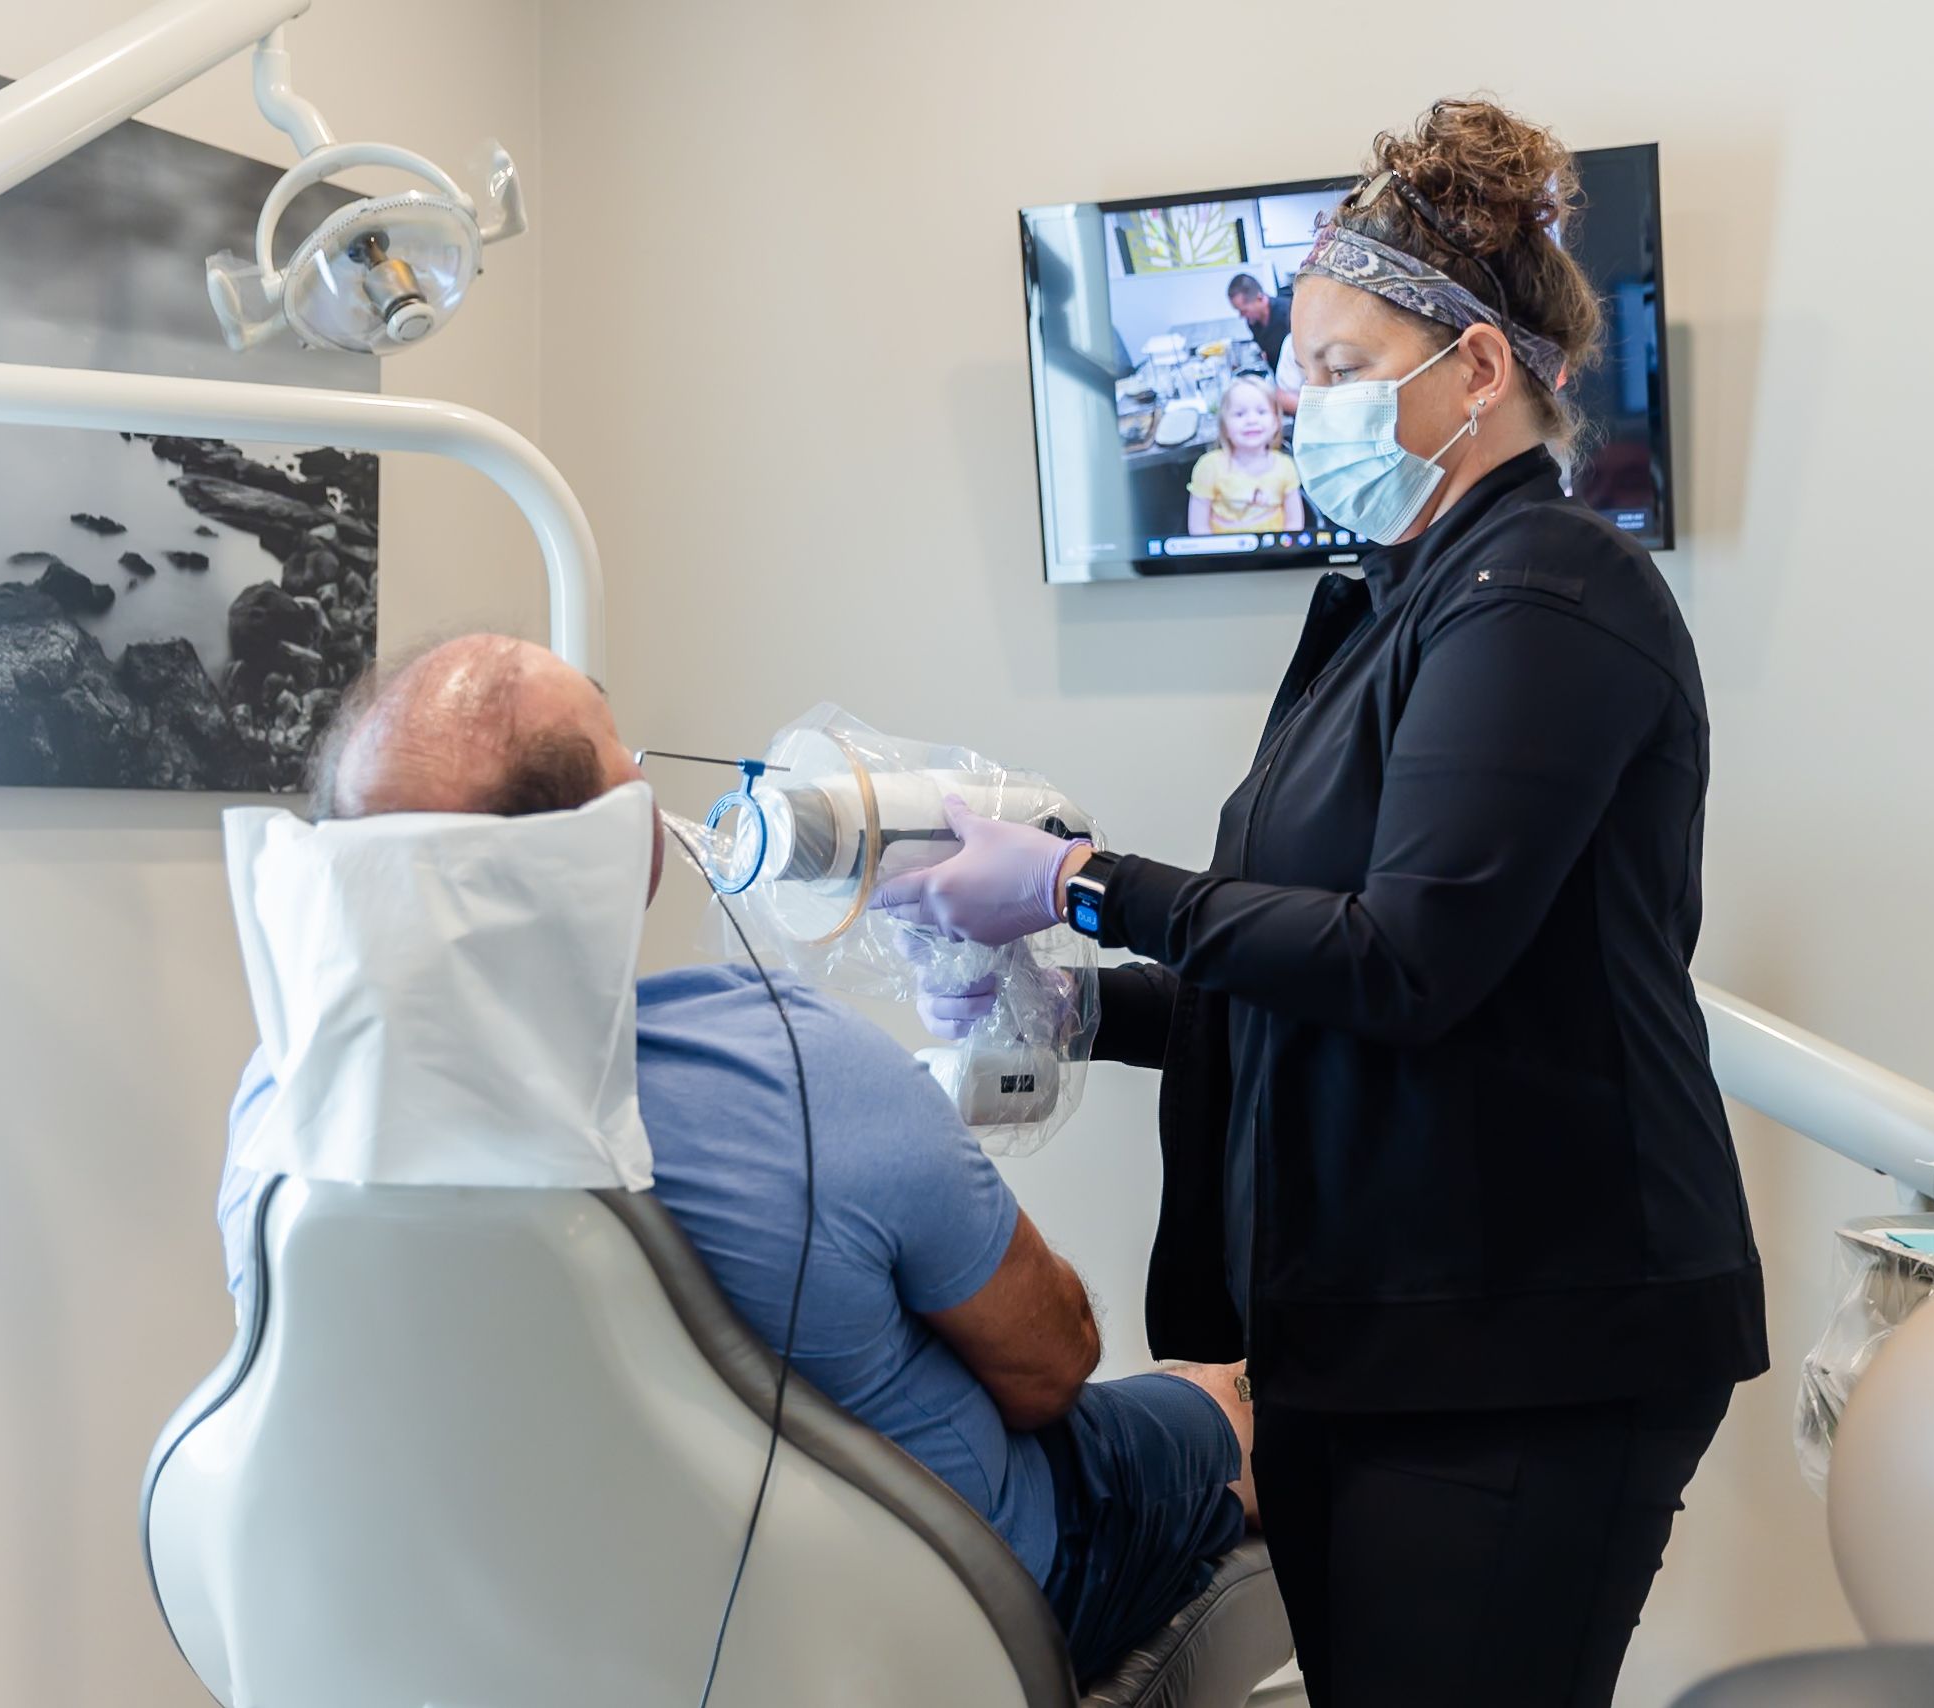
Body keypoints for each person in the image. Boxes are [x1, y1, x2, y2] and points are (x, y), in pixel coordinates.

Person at [875, 99, 1766, 1705]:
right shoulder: (1388, 604)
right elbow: (1300, 966)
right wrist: (1082, 1005)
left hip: (1525, 1337)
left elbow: (1407, 959)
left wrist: (1080, 886)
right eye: (1306, 369)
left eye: (1344, 370)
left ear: (1479, 371)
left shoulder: (1556, 588)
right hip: (1368, 1326)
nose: (1301, 405)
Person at [213, 634, 1257, 1681]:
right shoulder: (791, 1066)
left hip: (520, 1630)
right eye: (626, 753)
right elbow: (1051, 1365)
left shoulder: (282, 1108)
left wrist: (1073, 1010)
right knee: (1224, 1406)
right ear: (630, 847)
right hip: (911, 1621)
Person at [1185, 377, 1304, 536]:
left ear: (1276, 422)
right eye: (1239, 414)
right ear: (1224, 426)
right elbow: (1198, 528)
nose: (1251, 420)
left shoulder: (1286, 466)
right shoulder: (1208, 467)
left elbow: (1294, 524)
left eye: (1262, 412)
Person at [1226, 272, 1292, 371]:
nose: (1241, 316)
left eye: (1244, 310)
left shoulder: (1289, 312)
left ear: (1259, 298)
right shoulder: (1252, 322)